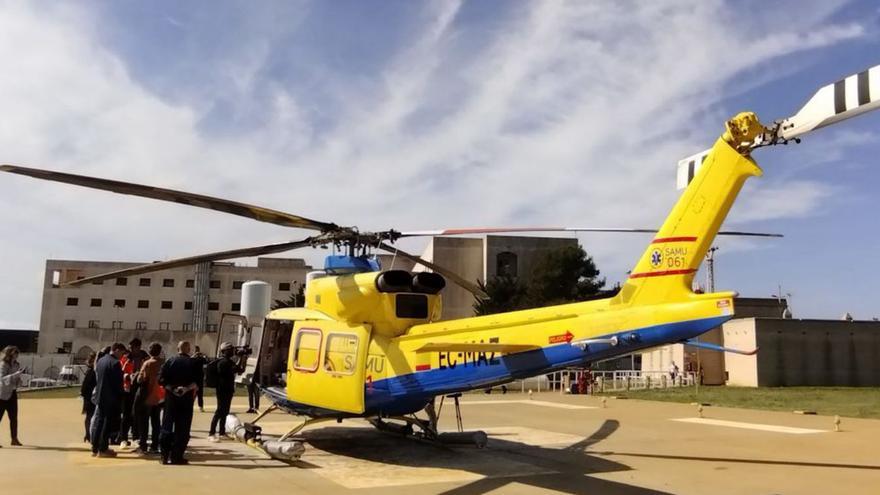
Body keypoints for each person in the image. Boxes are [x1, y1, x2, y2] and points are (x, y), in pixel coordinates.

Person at [159, 341, 202, 465]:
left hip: (171, 398)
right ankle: (177, 456)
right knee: (182, 428)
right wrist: (185, 389)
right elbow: (197, 382)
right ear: (189, 349)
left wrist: (173, 389)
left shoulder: (169, 362)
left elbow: (161, 380)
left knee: (167, 426)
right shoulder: (194, 363)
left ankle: (164, 455)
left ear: (177, 349)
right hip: (186, 399)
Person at [91, 343, 126, 457]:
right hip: (111, 397)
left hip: (101, 396)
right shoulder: (115, 363)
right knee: (107, 423)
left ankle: (95, 447)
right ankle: (103, 448)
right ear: (116, 350)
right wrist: (121, 396)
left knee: (99, 422)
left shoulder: (101, 361)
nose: (122, 356)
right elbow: (118, 383)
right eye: (121, 352)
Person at [208, 342, 243, 441]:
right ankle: (211, 433)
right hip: (222, 389)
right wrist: (239, 359)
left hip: (228, 389)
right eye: (230, 350)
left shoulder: (229, 361)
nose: (232, 351)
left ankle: (222, 432)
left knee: (225, 412)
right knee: (219, 411)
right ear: (224, 351)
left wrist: (241, 358)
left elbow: (240, 370)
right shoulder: (222, 362)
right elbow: (234, 370)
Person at [134, 342, 164, 455]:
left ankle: (143, 445)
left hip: (146, 395)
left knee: (143, 421)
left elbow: (140, 380)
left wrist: (137, 375)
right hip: (158, 396)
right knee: (156, 422)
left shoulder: (147, 363)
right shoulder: (163, 363)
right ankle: (155, 445)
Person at [0, 345, 25, 447]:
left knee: (14, 418)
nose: (17, 356)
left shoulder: (16, 364)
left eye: (17, 354)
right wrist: (16, 375)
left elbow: (16, 377)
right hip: (2, 394)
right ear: (9, 354)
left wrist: (19, 380)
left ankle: (14, 439)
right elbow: (2, 379)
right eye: (15, 353)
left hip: (12, 393)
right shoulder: (3, 364)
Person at [80, 352, 97, 443]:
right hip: (90, 396)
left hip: (88, 396)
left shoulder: (91, 370)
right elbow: (86, 385)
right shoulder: (92, 370)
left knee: (89, 416)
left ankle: (88, 434)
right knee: (91, 416)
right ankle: (88, 434)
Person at [192, 346, 207, 413]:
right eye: (196, 350)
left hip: (200, 378)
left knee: (200, 394)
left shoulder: (201, 358)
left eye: (197, 350)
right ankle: (189, 406)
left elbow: (206, 362)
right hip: (194, 379)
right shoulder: (192, 358)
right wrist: (194, 356)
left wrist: (203, 356)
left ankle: (201, 407)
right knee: (193, 394)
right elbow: (189, 361)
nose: (197, 352)